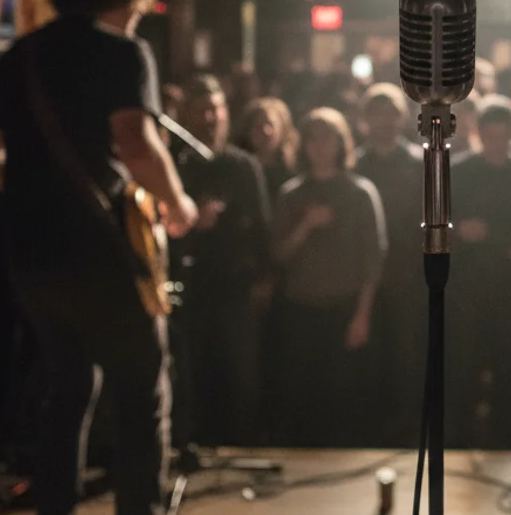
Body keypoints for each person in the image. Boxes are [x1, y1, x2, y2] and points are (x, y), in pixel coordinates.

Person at [0, 0, 197, 515]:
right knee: (141, 396)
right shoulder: (124, 53)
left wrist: (32, 194)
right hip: (105, 256)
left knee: (67, 390)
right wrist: (179, 204)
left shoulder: (22, 55)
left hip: (33, 260)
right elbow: (138, 145)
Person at [271, 108, 387, 447]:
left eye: (328, 139)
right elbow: (279, 254)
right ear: (303, 145)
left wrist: (362, 315)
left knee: (344, 393)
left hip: (344, 305)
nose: (321, 147)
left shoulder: (359, 192)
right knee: (303, 392)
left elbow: (374, 259)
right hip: (301, 307)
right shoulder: (292, 194)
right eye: (313, 139)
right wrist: (305, 227)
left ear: (341, 143)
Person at [170, 74, 272, 447]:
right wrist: (193, 220)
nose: (209, 119)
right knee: (193, 371)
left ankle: (240, 442)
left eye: (214, 110)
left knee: (240, 373)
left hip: (237, 286)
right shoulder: (178, 166)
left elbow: (262, 225)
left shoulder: (243, 166)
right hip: (192, 287)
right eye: (200, 112)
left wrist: (265, 277)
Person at [451, 96, 511, 447]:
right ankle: (460, 440)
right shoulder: (459, 171)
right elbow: (431, 225)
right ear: (478, 133)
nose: (496, 145)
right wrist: (458, 230)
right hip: (467, 289)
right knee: (464, 368)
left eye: (503, 137)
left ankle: (508, 440)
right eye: (490, 136)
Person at [353, 83, 424, 444]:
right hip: (362, 274)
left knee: (405, 351)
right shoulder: (355, 164)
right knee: (368, 352)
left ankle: (404, 426)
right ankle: (369, 424)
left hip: (406, 273)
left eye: (390, 113)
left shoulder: (418, 161)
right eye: (376, 114)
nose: (384, 122)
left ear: (403, 118)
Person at [235, 97, 299, 204]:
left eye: (270, 124)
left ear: (282, 128)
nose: (265, 131)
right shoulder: (240, 169)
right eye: (258, 126)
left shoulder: (294, 170)